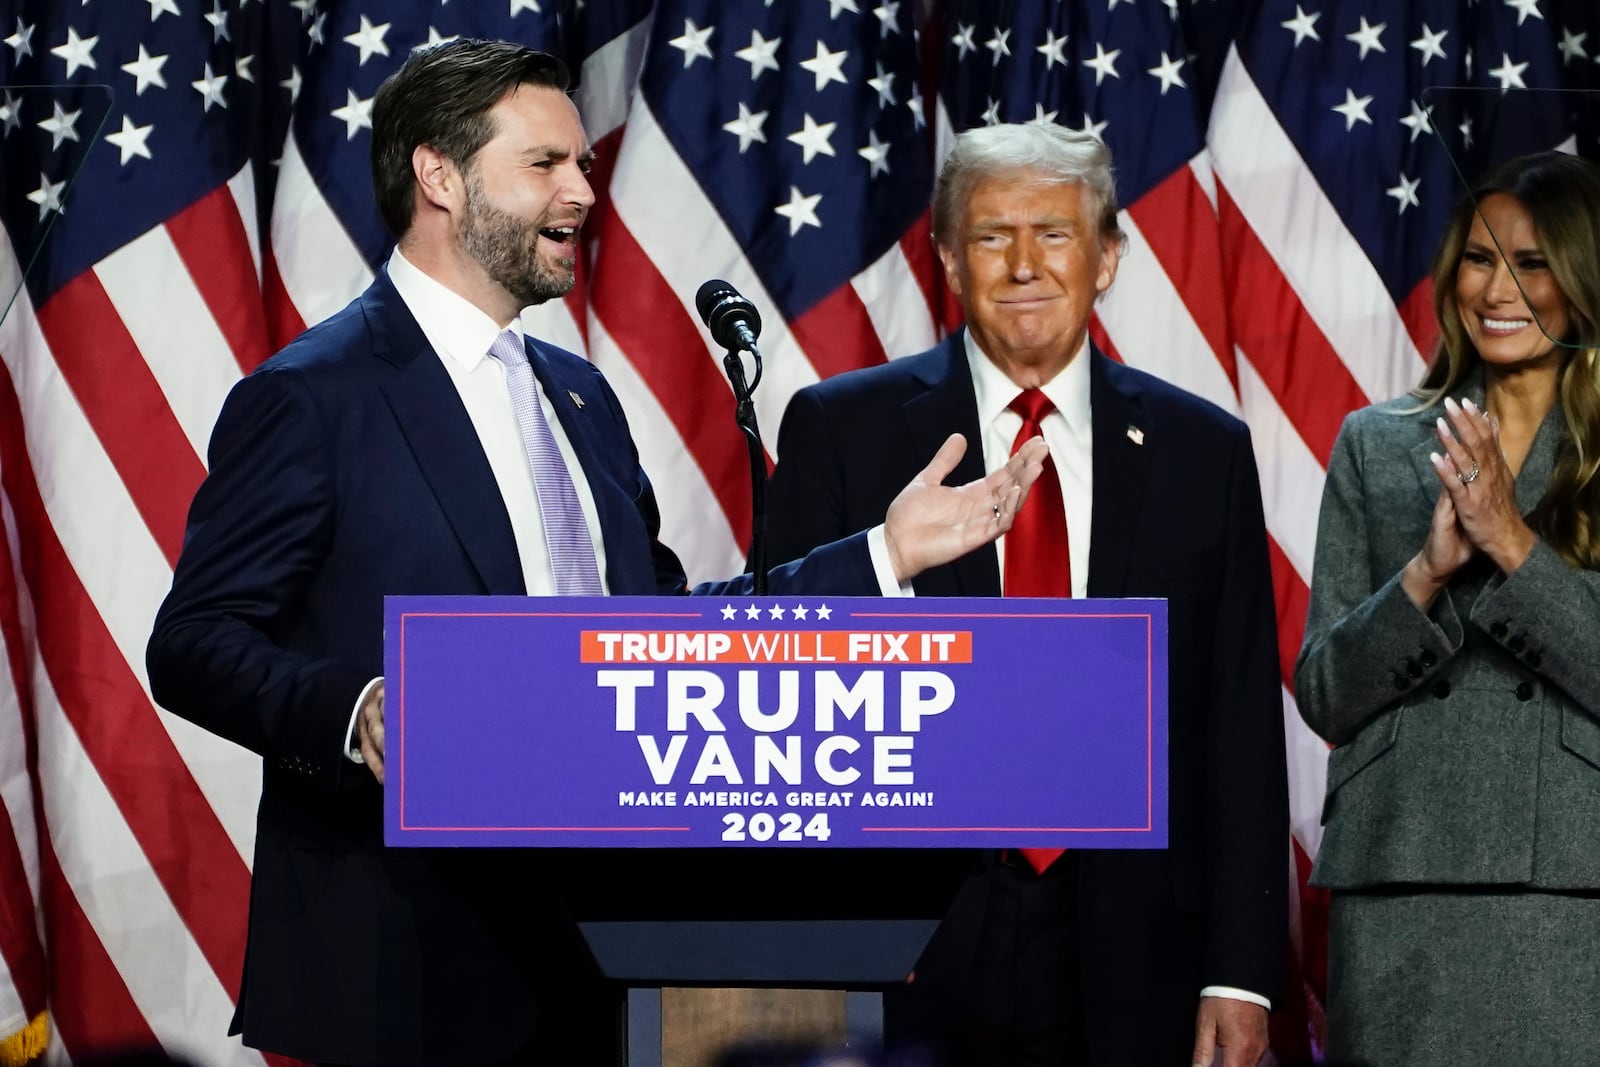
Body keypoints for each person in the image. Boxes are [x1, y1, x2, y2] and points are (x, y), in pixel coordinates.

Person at [144, 40, 1047, 1067]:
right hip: (406, 961)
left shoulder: (579, 397)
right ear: (438, 174)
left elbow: (660, 629)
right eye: (545, 164)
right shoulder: (316, 395)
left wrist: (883, 552)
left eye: (582, 162)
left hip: (604, 957)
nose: (582, 187)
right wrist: (359, 711)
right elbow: (195, 640)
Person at [763, 123, 1287, 1066]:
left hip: (1134, 933)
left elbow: (1238, 720)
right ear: (952, 261)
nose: (1024, 264)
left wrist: (1239, 971)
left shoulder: (1201, 450)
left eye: (1053, 232)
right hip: (910, 931)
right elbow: (781, 681)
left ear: (1110, 255)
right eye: (993, 236)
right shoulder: (843, 430)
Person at [1295, 150, 1600, 1065]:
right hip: (1402, 877)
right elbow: (1324, 692)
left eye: (1533, 262)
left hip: (1571, 887)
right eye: (1479, 258)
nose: (1498, 288)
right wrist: (1425, 574)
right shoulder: (1377, 443)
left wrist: (1511, 543)